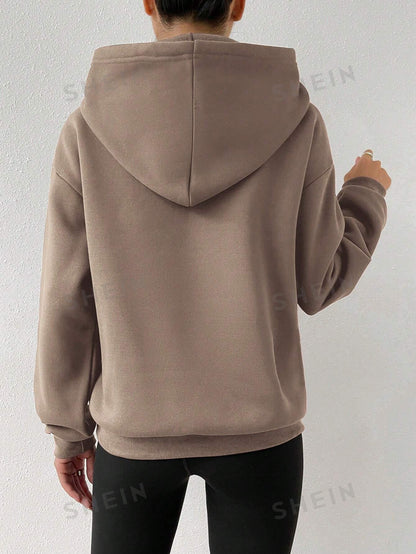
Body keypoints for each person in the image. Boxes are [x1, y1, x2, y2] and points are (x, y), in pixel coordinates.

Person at [33, 1, 391, 552]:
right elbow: (319, 282)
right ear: (238, 5)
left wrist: (67, 431)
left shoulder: (86, 128)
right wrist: (366, 192)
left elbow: (67, 298)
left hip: (134, 441)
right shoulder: (298, 120)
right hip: (260, 442)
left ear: (149, 2)